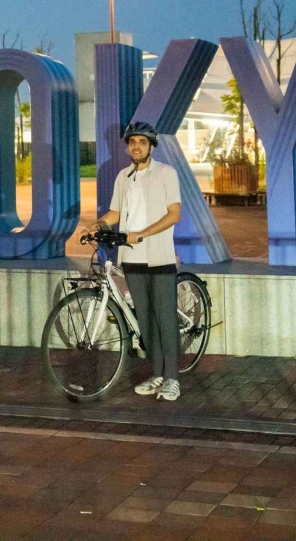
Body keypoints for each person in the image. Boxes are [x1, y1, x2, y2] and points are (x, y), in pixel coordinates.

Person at [99, 121, 183, 401]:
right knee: (145, 320)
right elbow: (115, 212)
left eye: (142, 142)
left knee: (165, 319)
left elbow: (174, 214)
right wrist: (96, 225)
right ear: (128, 147)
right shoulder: (123, 177)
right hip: (131, 258)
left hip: (159, 256)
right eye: (132, 142)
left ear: (151, 146)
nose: (136, 146)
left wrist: (143, 234)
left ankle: (172, 378)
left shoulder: (166, 174)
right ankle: (156, 374)